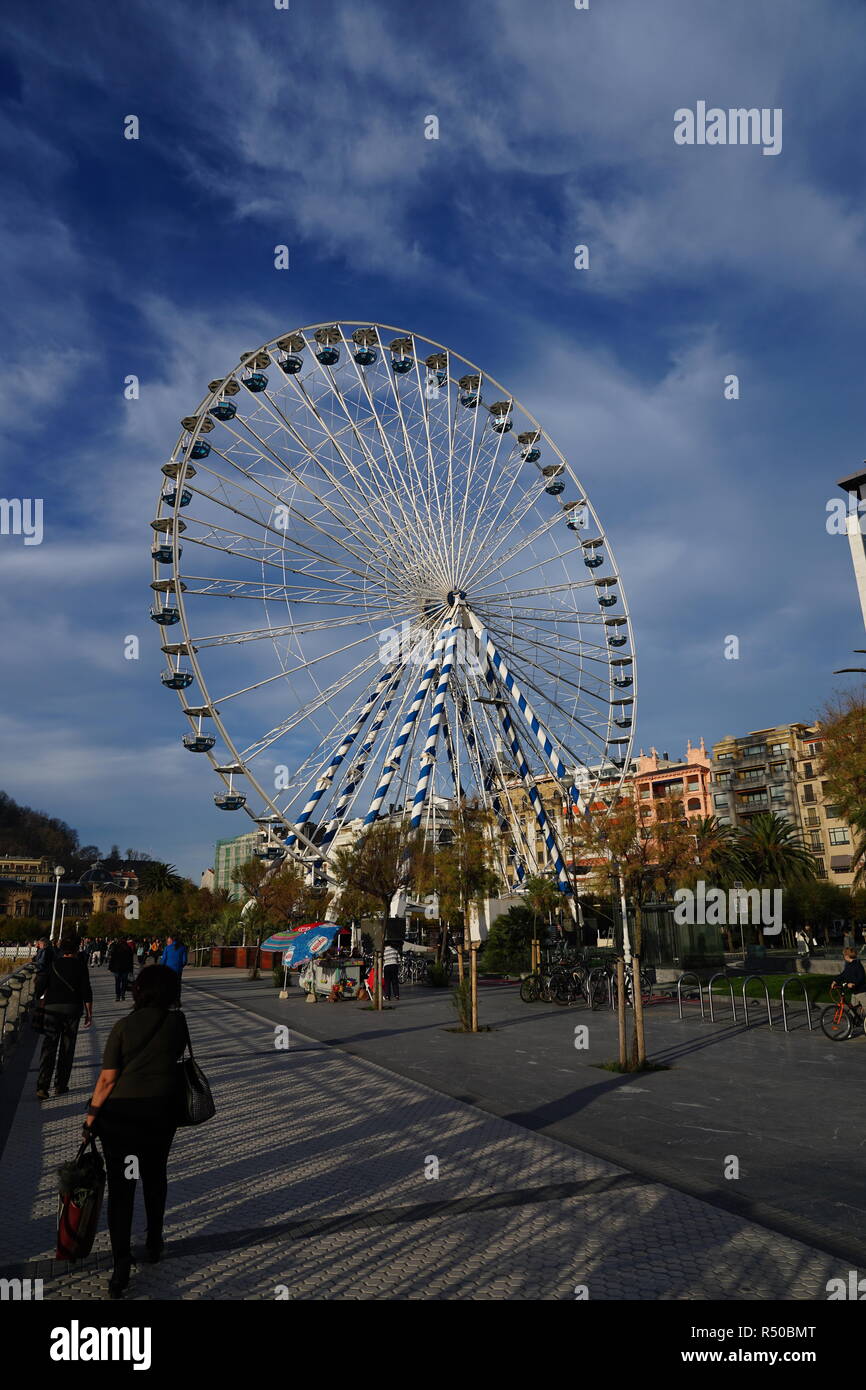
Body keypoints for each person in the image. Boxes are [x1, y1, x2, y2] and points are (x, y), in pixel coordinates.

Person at [84, 964, 188, 1300]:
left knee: (123, 1187)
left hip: (123, 1120)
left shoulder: (123, 1027)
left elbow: (107, 1080)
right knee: (155, 1175)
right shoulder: (178, 1023)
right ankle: (155, 1242)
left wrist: (90, 1119)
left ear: (139, 991)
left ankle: (121, 1265)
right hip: (162, 1115)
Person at [35, 933, 93, 1099]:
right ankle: (60, 1085)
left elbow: (41, 986)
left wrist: (40, 1000)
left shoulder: (53, 963)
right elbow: (86, 991)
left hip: (52, 1009)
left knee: (49, 1047)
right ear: (77, 948)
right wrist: (89, 1012)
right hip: (72, 1010)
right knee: (67, 1048)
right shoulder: (80, 965)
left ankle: (42, 1087)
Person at [833, 947, 866, 1021]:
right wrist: (835, 981)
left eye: (844, 955)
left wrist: (853, 983)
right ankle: (852, 1025)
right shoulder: (849, 965)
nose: (844, 957)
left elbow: (861, 978)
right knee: (852, 1010)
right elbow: (843, 974)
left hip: (861, 991)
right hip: (854, 992)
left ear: (847, 956)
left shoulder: (857, 965)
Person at [159, 935, 188, 999]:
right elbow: (184, 961)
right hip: (178, 970)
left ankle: (169, 999)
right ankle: (177, 1001)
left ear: (172, 940)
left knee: (168, 985)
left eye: (169, 941)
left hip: (168, 970)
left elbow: (163, 960)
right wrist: (180, 966)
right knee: (177, 986)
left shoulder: (167, 948)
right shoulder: (183, 948)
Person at [107, 936, 134, 1002]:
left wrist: (110, 967)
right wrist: (131, 969)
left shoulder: (115, 947)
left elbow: (112, 958)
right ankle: (123, 994)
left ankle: (117, 995)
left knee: (117, 982)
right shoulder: (128, 948)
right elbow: (131, 960)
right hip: (125, 968)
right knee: (124, 982)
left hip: (117, 968)